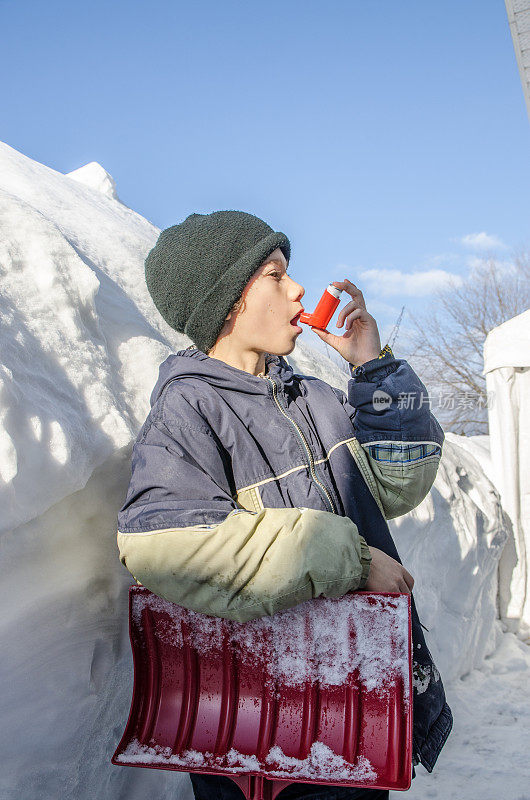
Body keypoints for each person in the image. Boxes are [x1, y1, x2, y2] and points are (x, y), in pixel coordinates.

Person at [116, 210, 453, 800]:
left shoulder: (316, 399)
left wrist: (370, 367)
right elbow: (161, 546)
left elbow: (401, 482)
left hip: (345, 707)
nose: (298, 289)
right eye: (275, 274)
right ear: (226, 302)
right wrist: (348, 559)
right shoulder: (188, 411)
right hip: (262, 739)